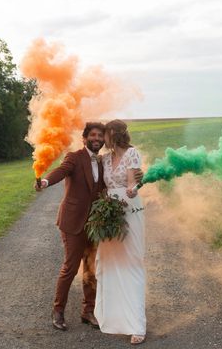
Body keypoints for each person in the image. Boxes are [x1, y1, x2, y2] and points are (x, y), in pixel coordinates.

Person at [35, 122, 143, 332]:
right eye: (92, 135)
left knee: (92, 267)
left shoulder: (104, 161)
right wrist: (45, 182)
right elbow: (61, 171)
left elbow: (115, 181)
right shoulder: (74, 157)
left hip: (95, 223)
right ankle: (58, 310)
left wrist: (138, 178)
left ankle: (88, 311)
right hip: (73, 221)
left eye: (100, 136)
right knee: (70, 267)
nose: (97, 138)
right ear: (84, 138)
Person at [94, 119, 147, 345]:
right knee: (108, 264)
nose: (102, 139)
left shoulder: (132, 154)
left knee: (131, 263)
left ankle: (137, 325)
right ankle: (112, 316)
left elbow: (134, 184)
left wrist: (133, 190)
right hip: (108, 214)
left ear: (113, 134)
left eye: (104, 134)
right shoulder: (104, 159)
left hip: (128, 210)